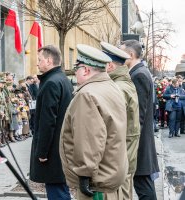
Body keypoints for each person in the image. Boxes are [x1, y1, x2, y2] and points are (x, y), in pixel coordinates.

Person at [60, 44, 128, 200]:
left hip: (96, 183)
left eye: (76, 68)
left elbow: (89, 140)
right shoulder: (111, 87)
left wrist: (84, 174)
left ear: (85, 70)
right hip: (110, 174)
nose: (74, 73)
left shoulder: (87, 95)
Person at [30, 45, 73, 199]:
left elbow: (48, 122)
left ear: (49, 61)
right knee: (60, 190)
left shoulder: (51, 83)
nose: (37, 63)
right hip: (61, 146)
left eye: (40, 60)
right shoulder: (62, 79)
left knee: (57, 193)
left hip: (53, 150)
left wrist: (42, 152)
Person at [120, 40, 160, 200]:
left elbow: (138, 115)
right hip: (141, 142)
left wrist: (131, 144)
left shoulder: (139, 75)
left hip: (140, 144)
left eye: (122, 53)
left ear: (130, 55)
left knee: (143, 187)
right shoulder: (139, 72)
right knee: (143, 185)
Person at [102, 41, 140, 199]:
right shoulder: (122, 84)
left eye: (102, 64)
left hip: (119, 162)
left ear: (110, 66)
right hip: (123, 160)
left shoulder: (118, 88)